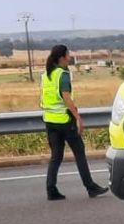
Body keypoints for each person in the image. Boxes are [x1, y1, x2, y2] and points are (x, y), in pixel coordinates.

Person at [41, 45, 108, 201]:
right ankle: (90, 187)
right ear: (62, 57)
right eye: (68, 55)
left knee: (56, 156)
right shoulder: (63, 75)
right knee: (79, 153)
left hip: (50, 120)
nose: (70, 58)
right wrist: (77, 117)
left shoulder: (46, 75)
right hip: (65, 120)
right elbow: (66, 98)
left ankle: (51, 189)